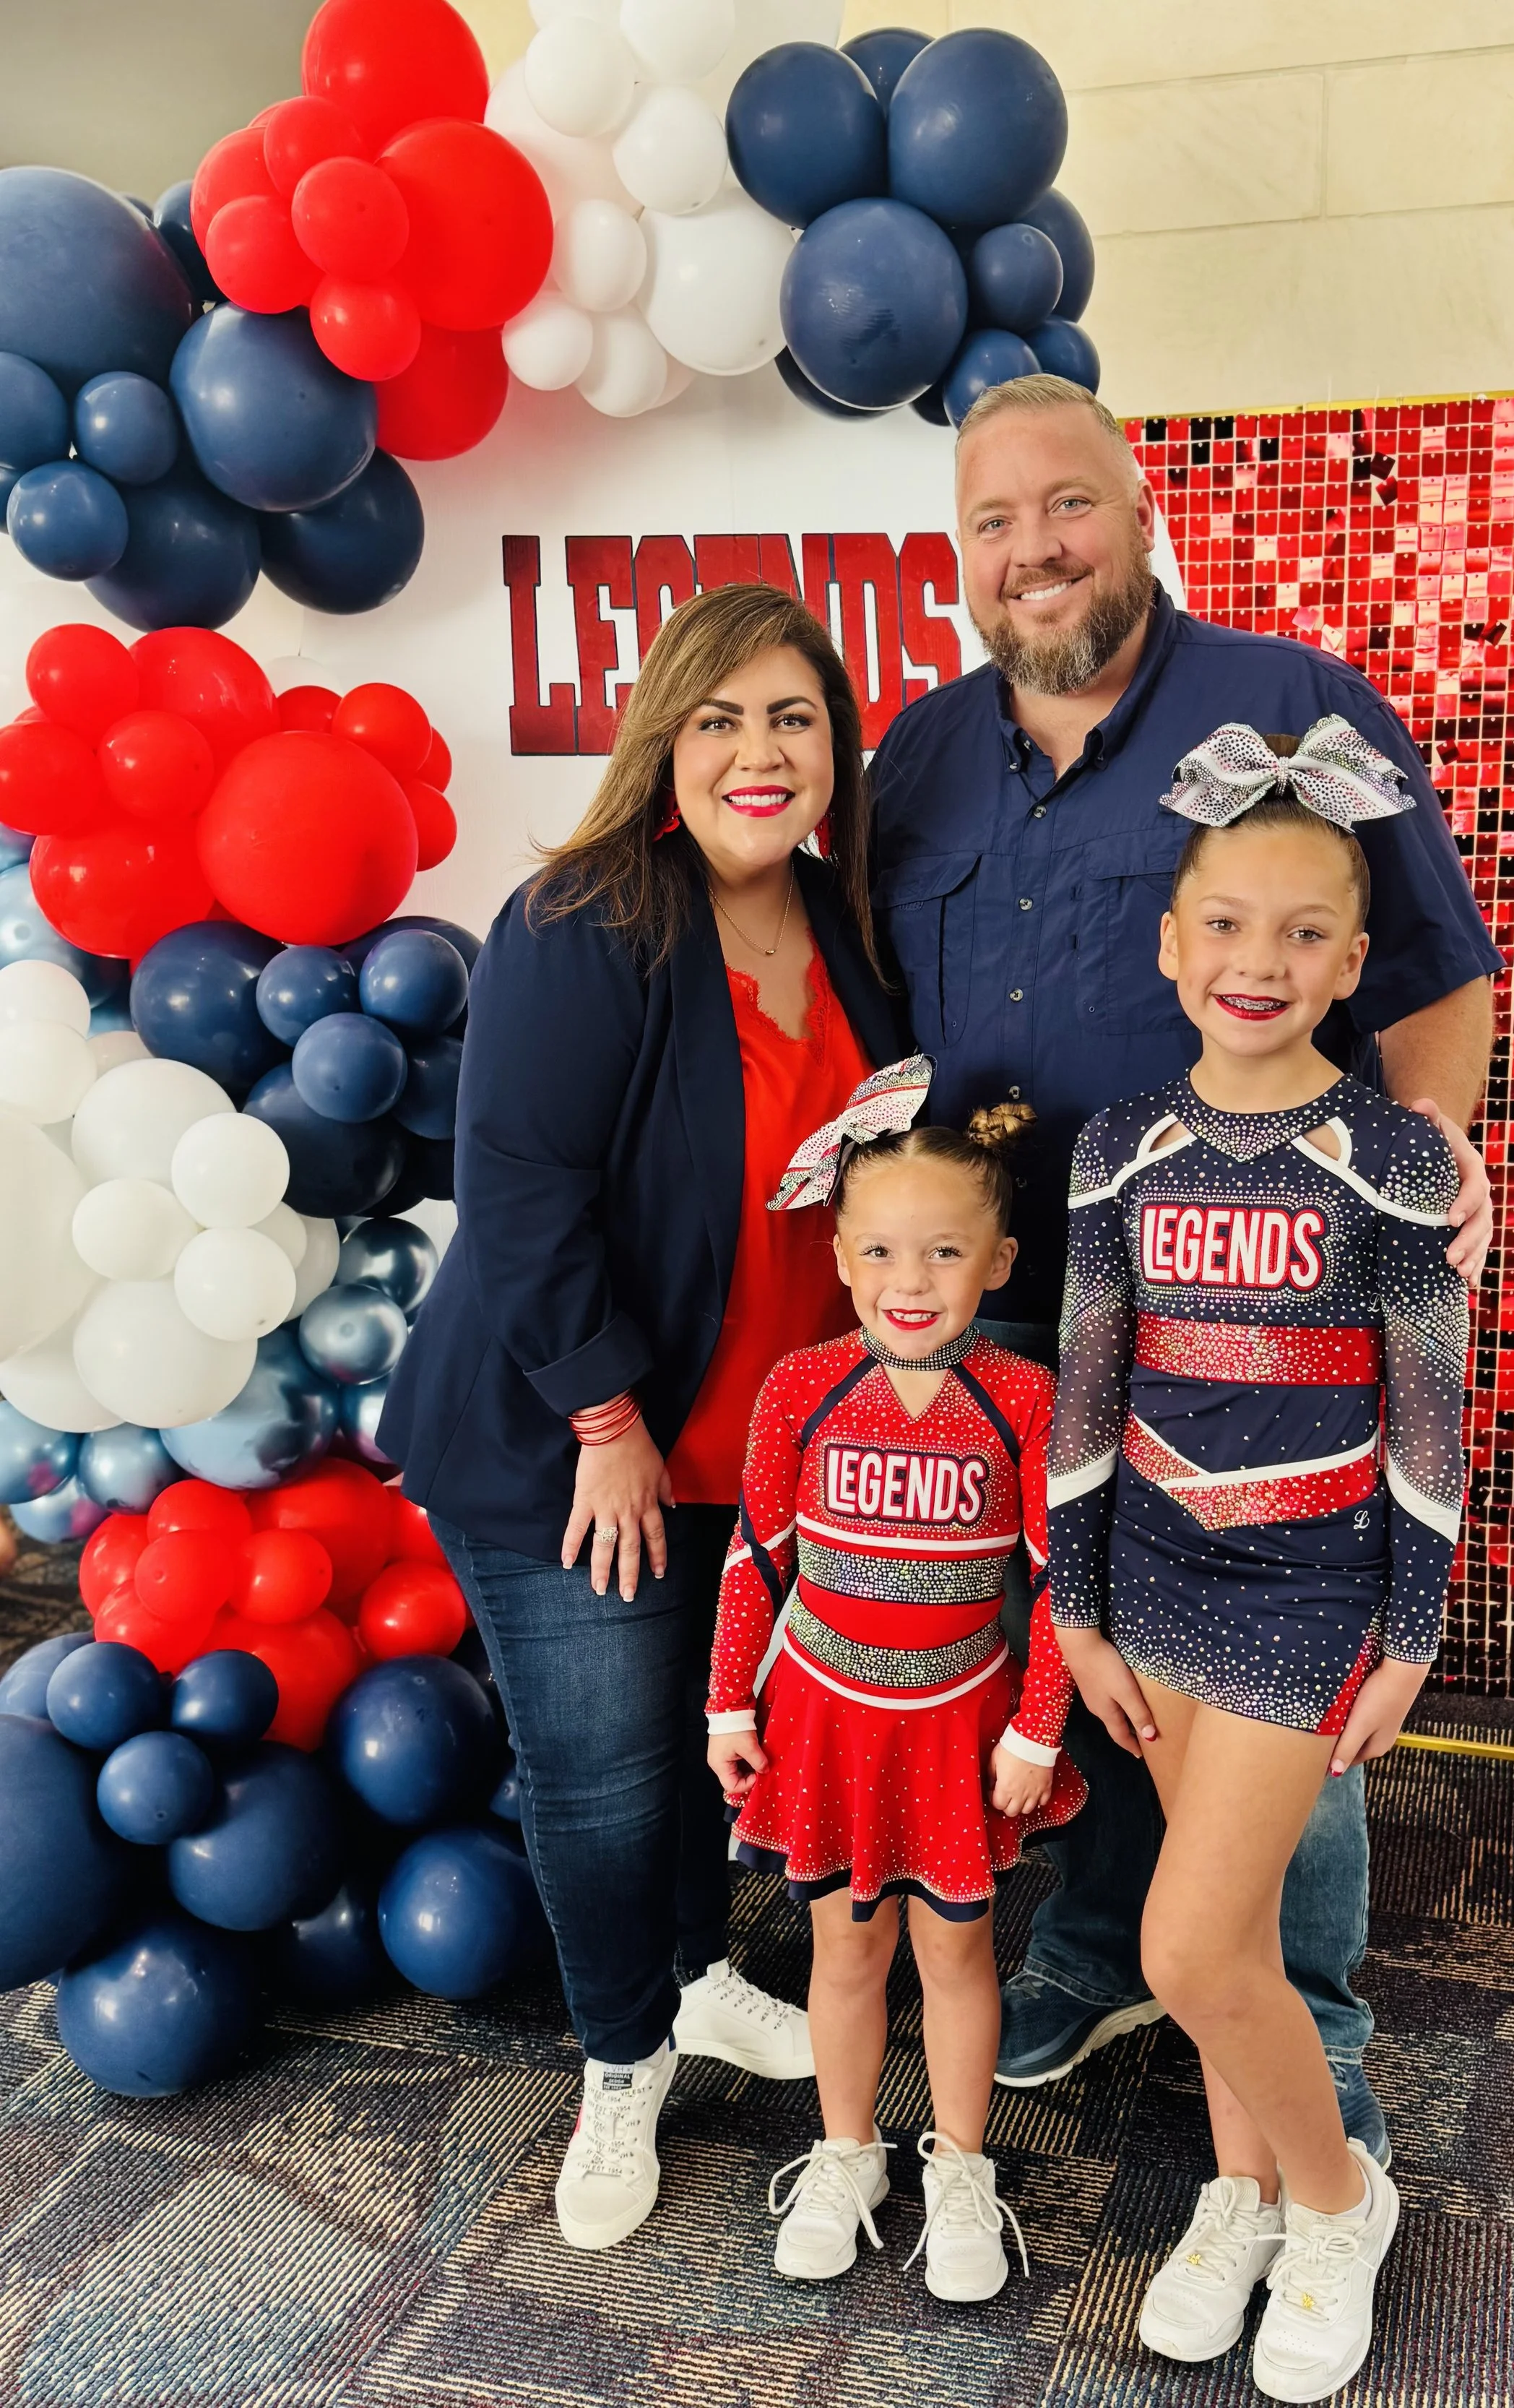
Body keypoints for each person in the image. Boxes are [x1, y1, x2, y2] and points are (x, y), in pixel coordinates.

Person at [869, 374, 1500, 2139]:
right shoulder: (916, 756)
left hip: (1261, 1290)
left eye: (1063, 507)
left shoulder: (1284, 702)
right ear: (961, 559)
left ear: (1137, 513)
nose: (1032, 552)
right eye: (992, 525)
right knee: (1091, 1645)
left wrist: (1428, 1155)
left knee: (1275, 1644)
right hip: (1010, 1290)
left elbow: (1433, 966)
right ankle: (1100, 1947)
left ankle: (1312, 2030)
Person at [381, 584, 908, 2255]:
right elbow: (519, 1194)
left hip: (742, 1439)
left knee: (694, 1745)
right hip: (568, 1435)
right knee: (601, 1777)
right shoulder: (587, 916)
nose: (760, 755)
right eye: (720, 720)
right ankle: (618, 2062)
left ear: (836, 746)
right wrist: (606, 1417)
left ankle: (686, 1979)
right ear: (663, 741)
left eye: (794, 720)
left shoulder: (846, 923)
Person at [1049, 729, 1468, 2395]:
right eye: (1225, 923)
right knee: (1208, 1934)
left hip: (1307, 1598)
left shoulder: (1397, 1160)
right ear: (1171, 940)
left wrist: (1412, 1632)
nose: (1258, 962)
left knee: (1191, 1949)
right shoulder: (1115, 1145)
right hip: (1148, 1578)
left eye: (1302, 933)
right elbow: (1086, 1389)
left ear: (1351, 962)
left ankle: (1338, 2197)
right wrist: (1072, 1606)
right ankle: (1235, 2194)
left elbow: (1431, 1420)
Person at [706, 1074, 1084, 2302]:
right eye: (879, 1250)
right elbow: (757, 1560)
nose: (909, 1280)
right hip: (821, 1720)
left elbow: (1057, 1580)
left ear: (999, 1262)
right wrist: (728, 1704)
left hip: (958, 1728)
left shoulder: (1022, 1397)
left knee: (961, 1958)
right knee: (845, 1951)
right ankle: (845, 2152)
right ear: (840, 1253)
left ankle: (962, 2168)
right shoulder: (799, 1388)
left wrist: (1036, 1730)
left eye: (943, 1252)